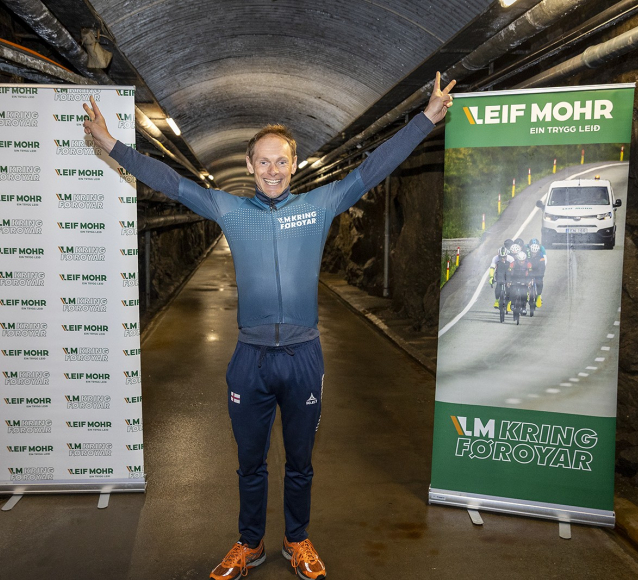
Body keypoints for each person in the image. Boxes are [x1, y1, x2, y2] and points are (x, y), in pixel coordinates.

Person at [83, 74, 456, 580]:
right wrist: (111, 145)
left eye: (281, 161)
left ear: (294, 164)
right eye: (263, 162)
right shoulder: (230, 209)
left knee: (300, 463)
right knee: (250, 463)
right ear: (249, 166)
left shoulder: (320, 205)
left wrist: (425, 119)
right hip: (250, 360)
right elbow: (171, 182)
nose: (273, 170)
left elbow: (372, 169)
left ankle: (297, 539)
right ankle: (250, 543)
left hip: (303, 357)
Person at [509, 251, 533, 316]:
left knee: (524, 294)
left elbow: (531, 273)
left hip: (524, 279)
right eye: (520, 261)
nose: (521, 262)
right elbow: (509, 272)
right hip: (514, 279)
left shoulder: (528, 264)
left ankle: (523, 307)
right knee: (513, 291)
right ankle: (512, 304)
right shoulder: (513, 263)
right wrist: (509, 281)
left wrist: (529, 281)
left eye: (523, 261)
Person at [526, 238, 546, 308]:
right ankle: (527, 293)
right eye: (532, 253)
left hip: (538, 270)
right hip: (529, 269)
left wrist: (541, 274)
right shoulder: (527, 254)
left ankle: (539, 296)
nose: (534, 254)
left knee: (539, 282)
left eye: (535, 253)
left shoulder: (541, 255)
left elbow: (543, 266)